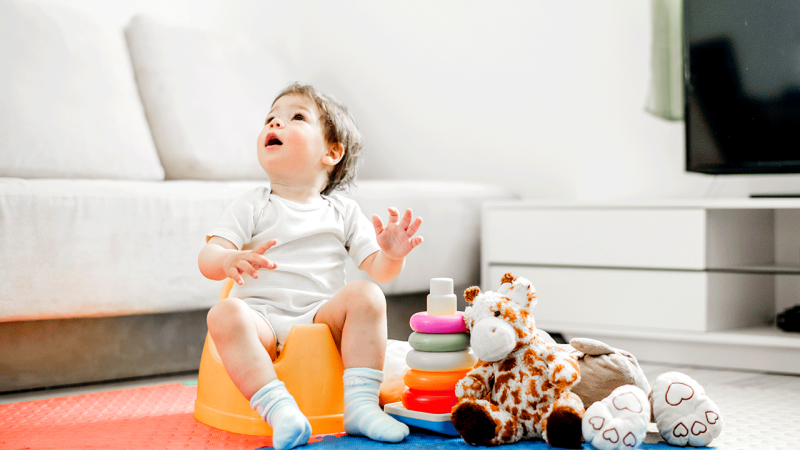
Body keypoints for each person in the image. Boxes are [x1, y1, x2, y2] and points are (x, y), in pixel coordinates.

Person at [198, 82, 422, 450]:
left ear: (332, 152)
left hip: (321, 318)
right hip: (262, 320)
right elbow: (208, 259)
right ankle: (279, 409)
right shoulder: (252, 204)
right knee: (223, 314)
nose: (275, 125)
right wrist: (227, 259)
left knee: (368, 294)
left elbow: (378, 272)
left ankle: (361, 407)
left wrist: (392, 255)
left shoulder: (344, 212)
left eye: (295, 117)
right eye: (270, 118)